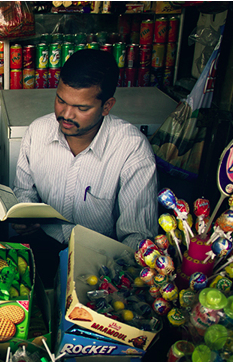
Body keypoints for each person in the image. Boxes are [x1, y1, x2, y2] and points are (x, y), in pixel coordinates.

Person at [12, 49, 158, 286]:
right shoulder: (37, 132)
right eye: (61, 101)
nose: (66, 115)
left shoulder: (132, 149)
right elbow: (24, 191)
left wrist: (112, 278)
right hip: (42, 244)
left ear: (107, 106)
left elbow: (138, 236)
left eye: (81, 108)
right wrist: (23, 217)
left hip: (102, 262)